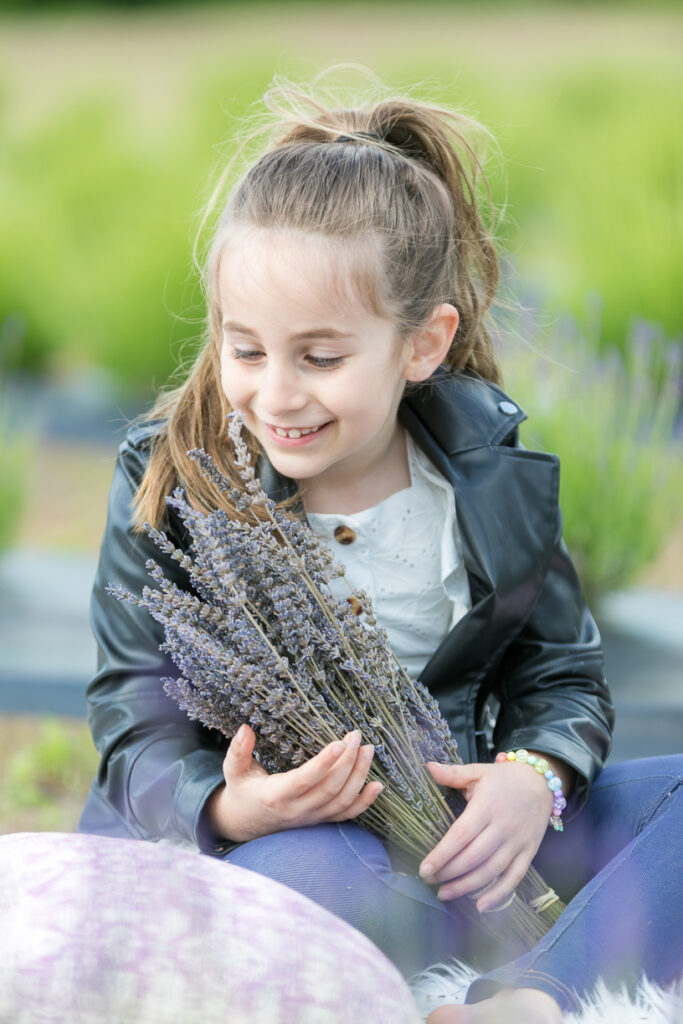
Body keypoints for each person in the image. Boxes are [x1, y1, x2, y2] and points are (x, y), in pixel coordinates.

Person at [78, 71, 682, 1022]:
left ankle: (525, 1000)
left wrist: (534, 781)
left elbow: (561, 677)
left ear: (422, 345)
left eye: (319, 357)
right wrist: (231, 808)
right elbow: (131, 715)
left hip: (465, 837)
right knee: (286, 900)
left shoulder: (487, 474)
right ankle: (506, 950)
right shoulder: (177, 482)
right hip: (305, 847)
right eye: (245, 349)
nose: (276, 393)